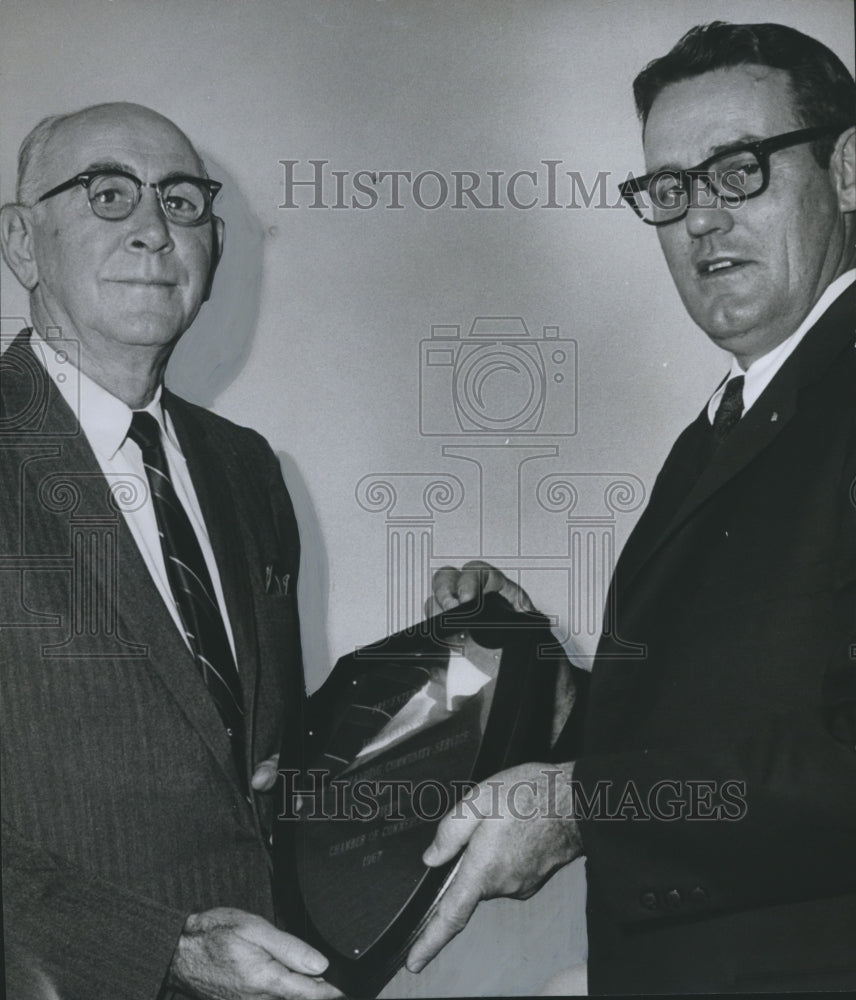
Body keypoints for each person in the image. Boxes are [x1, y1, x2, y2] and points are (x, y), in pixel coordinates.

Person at [405, 21, 856, 994]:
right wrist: (530, 663)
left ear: (849, 169)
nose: (700, 218)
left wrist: (581, 804)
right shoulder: (726, 422)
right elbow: (718, 718)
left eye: (738, 170)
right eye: (670, 188)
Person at [0, 102, 341, 1000]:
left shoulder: (245, 467)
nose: (154, 231)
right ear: (23, 244)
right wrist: (163, 951)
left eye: (182, 203)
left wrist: (459, 650)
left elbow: (254, 756)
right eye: (108, 195)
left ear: (213, 249)